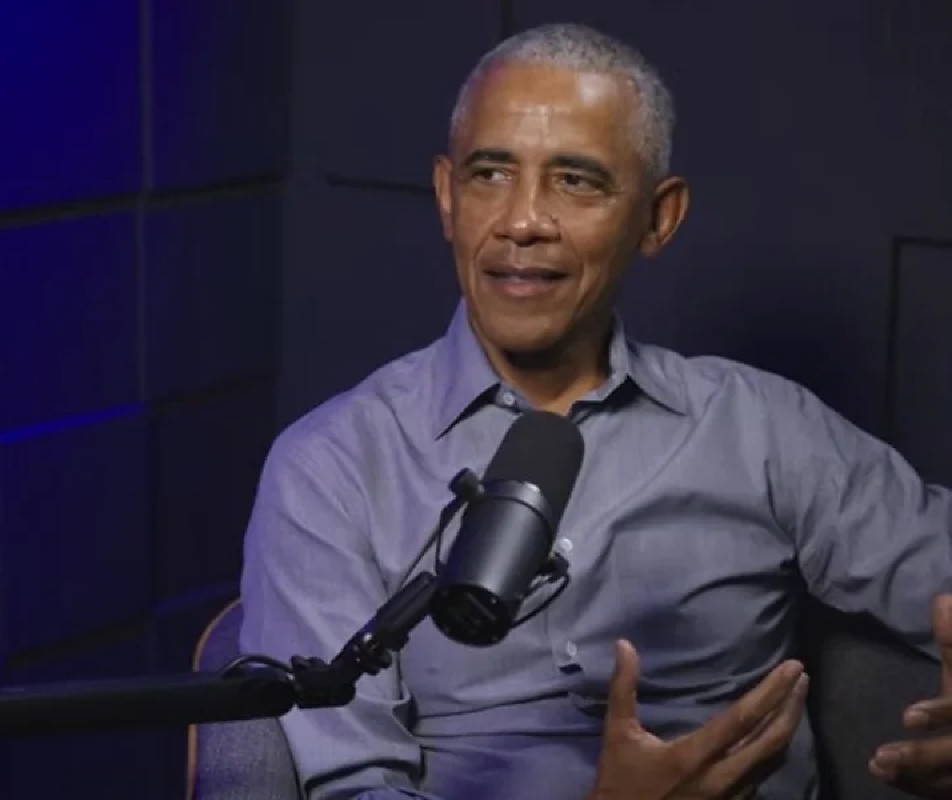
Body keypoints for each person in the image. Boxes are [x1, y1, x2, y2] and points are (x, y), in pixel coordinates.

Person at [238, 21, 952, 800]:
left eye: (576, 181)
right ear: (447, 196)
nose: (522, 221)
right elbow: (352, 787)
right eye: (490, 174)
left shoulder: (766, 430)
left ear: (658, 218)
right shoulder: (332, 469)